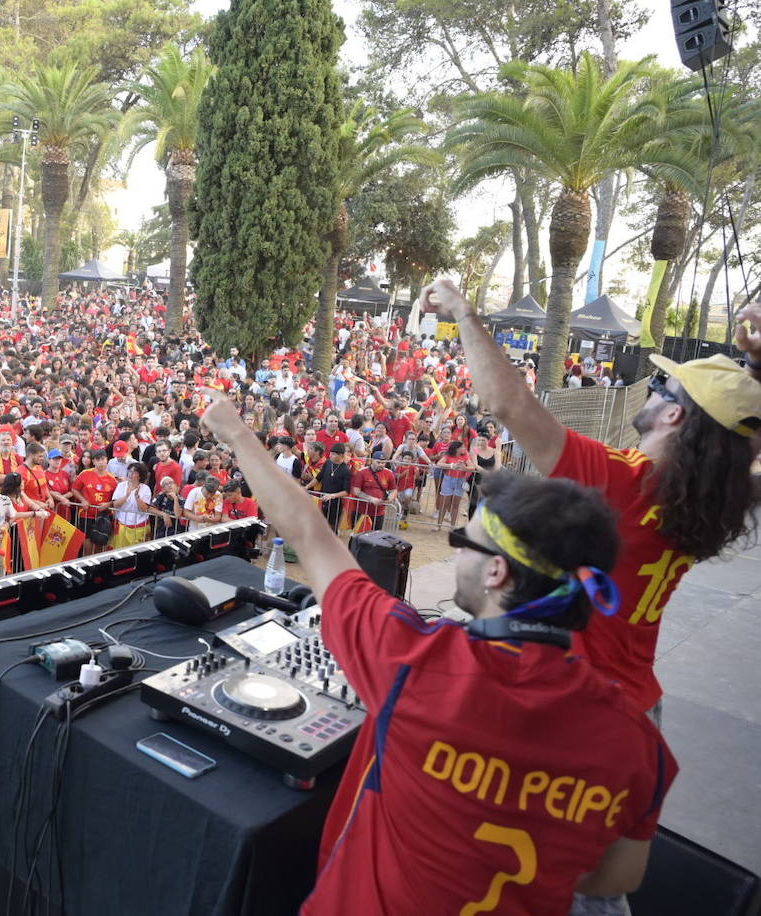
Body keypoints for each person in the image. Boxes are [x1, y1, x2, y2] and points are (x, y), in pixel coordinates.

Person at [200, 387, 677, 915]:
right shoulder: (639, 743)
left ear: (498, 571)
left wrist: (237, 434)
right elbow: (617, 874)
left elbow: (309, 535)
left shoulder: (415, 663)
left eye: (464, 545)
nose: (457, 558)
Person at [422, 280, 761, 718]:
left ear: (675, 415)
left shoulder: (624, 481)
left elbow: (510, 406)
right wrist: (753, 373)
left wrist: (464, 312)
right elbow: (737, 433)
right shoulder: (718, 496)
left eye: (663, 384)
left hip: (576, 702)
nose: (653, 389)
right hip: (635, 703)